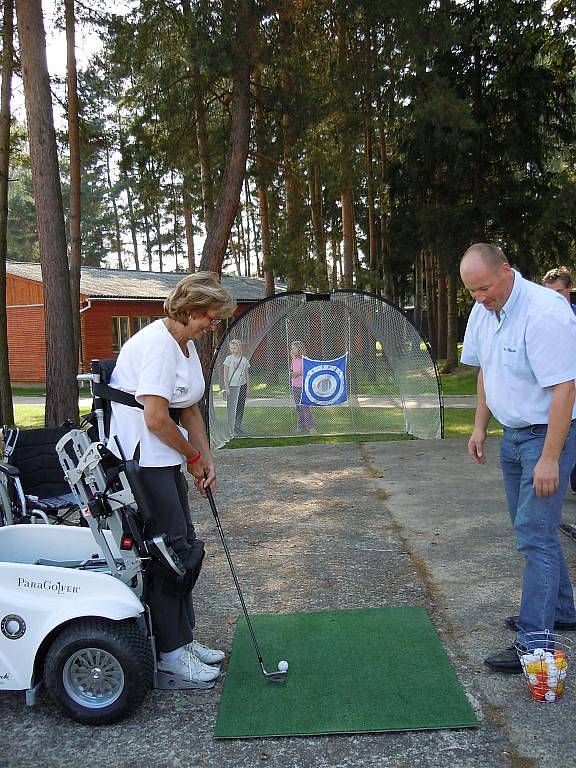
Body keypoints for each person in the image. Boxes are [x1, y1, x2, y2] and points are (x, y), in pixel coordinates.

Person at [107, 272, 237, 684]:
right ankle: (170, 653)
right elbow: (157, 419)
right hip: (142, 460)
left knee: (182, 544)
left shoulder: (184, 346)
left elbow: (191, 409)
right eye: (212, 318)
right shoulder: (157, 346)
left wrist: (206, 460)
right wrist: (192, 456)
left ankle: (183, 639)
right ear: (194, 311)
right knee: (168, 553)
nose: (213, 326)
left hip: (165, 458)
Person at [460, 243, 576, 672]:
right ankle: (563, 611)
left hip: (548, 438)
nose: (479, 298)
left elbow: (565, 389)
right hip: (512, 436)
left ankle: (535, 642)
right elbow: (485, 371)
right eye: (471, 291)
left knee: (535, 534)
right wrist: (479, 427)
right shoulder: (483, 310)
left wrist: (550, 458)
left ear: (507, 271)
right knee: (533, 529)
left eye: (485, 288)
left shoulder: (545, 313)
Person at [223, 339, 250, 437]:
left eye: (234, 348)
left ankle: (237, 426)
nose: (232, 350)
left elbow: (247, 374)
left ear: (239, 348)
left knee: (240, 407)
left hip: (242, 386)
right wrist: (227, 388)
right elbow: (225, 376)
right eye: (231, 348)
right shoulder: (228, 359)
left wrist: (247, 388)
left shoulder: (244, 360)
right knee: (231, 407)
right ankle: (231, 427)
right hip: (231, 386)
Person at [290, 341, 316, 434]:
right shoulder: (294, 359)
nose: (292, 350)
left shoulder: (305, 359)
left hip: (303, 387)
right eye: (291, 348)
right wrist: (292, 374)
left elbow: (309, 371)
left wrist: (299, 373)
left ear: (299, 349)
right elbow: (292, 371)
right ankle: (300, 426)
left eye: (294, 348)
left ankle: (310, 427)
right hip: (295, 386)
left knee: (305, 407)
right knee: (298, 407)